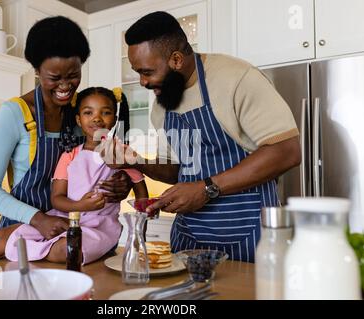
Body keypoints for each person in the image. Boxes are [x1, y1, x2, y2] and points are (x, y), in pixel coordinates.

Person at [101, 11, 301, 263]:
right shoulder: (162, 106)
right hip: (189, 237)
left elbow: (286, 151)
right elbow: (178, 171)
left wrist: (206, 188)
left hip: (249, 236)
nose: (142, 82)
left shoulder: (236, 78)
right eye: (137, 72)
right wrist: (136, 162)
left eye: (147, 72)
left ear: (176, 59)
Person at [0, 16, 133, 242]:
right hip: (23, 230)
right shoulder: (14, 113)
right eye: (55, 78)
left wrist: (121, 182)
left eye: (73, 75)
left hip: (71, 228)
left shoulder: (82, 112)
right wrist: (39, 219)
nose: (65, 86)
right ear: (37, 70)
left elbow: (100, 166)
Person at [0, 87, 148, 265]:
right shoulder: (69, 156)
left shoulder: (122, 153)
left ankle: (31, 255)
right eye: (88, 113)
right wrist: (80, 206)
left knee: (66, 249)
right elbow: (57, 198)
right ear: (78, 119)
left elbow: (142, 194)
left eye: (105, 113)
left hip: (98, 227)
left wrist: (140, 235)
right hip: (59, 219)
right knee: (1, 237)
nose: (97, 119)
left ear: (114, 119)